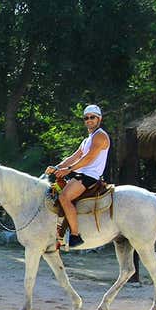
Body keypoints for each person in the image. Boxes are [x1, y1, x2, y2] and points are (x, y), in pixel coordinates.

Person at [45, 104, 110, 248]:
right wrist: (57, 167)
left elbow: (88, 159)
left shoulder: (100, 136)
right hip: (82, 174)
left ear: (99, 119)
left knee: (64, 197)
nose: (89, 120)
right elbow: (74, 156)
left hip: (90, 176)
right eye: (86, 118)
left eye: (92, 117)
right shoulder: (87, 139)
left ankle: (75, 235)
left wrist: (68, 170)